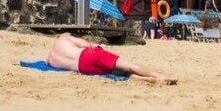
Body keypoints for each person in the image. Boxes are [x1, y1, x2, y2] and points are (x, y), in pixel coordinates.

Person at [46, 33, 175, 83]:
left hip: (82, 68)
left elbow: (48, 64)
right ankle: (159, 76)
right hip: (87, 55)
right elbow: (86, 45)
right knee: (129, 66)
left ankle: (144, 79)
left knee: (119, 74)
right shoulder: (65, 38)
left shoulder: (51, 59)